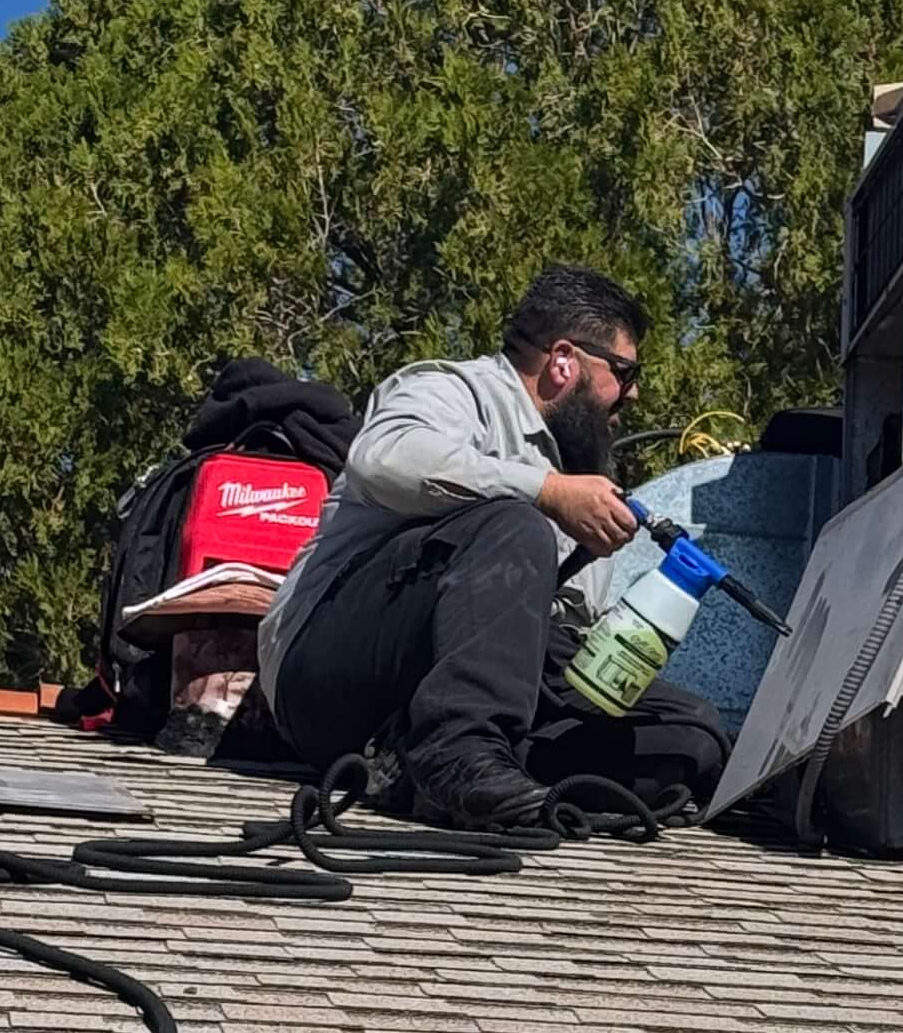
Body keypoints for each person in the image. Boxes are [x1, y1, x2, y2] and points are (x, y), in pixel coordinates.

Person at [258, 264, 731, 832]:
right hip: (326, 674)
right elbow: (383, 459)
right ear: (564, 361)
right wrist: (546, 491)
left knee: (693, 735)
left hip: (450, 698)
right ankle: (457, 758)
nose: (632, 393)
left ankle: (428, 768)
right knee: (514, 523)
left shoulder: (575, 470)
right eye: (626, 372)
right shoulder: (453, 390)